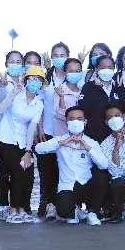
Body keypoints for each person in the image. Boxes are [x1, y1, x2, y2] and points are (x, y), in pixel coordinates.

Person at [34, 106, 109, 226]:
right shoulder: (60, 139)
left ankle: (92, 213)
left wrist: (88, 148)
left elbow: (104, 165)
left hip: (86, 184)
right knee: (64, 211)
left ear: (85, 121)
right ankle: (76, 211)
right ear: (66, 121)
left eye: (79, 119)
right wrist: (61, 143)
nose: (75, 122)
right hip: (67, 185)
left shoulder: (91, 142)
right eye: (72, 119)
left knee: (102, 177)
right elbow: (38, 149)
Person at [0, 65, 46, 224]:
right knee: (17, 171)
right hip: (6, 139)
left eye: (38, 80)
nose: (34, 82)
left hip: (23, 141)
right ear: (25, 80)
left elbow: (32, 127)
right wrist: (13, 93)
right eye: (32, 78)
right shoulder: (16, 94)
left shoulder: (38, 103)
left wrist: (28, 151)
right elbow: (0, 110)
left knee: (27, 174)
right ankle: (12, 209)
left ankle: (22, 209)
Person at [37, 41, 71, 220]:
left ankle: (64, 205)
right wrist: (40, 128)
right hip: (48, 131)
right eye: (56, 56)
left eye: (62, 55)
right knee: (47, 171)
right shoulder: (46, 78)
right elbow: (39, 105)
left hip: (67, 132)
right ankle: (46, 203)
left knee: (63, 170)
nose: (59, 59)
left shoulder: (74, 77)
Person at [0, 50, 24, 216]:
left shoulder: (27, 82)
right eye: (12, 61)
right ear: (6, 64)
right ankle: (6, 207)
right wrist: (5, 88)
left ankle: (17, 206)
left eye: (19, 62)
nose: (15, 64)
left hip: (22, 136)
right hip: (4, 135)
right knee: (5, 173)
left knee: (18, 172)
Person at [79, 55, 123, 142]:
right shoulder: (88, 86)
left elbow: (124, 108)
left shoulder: (117, 86)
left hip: (115, 134)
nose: (107, 70)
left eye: (110, 68)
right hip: (94, 135)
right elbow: (82, 108)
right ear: (96, 69)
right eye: (103, 67)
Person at [53, 58, 84, 136]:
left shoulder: (83, 91)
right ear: (65, 72)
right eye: (71, 71)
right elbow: (59, 115)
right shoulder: (59, 90)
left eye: (77, 71)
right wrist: (62, 97)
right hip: (62, 135)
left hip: (80, 136)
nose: (75, 74)